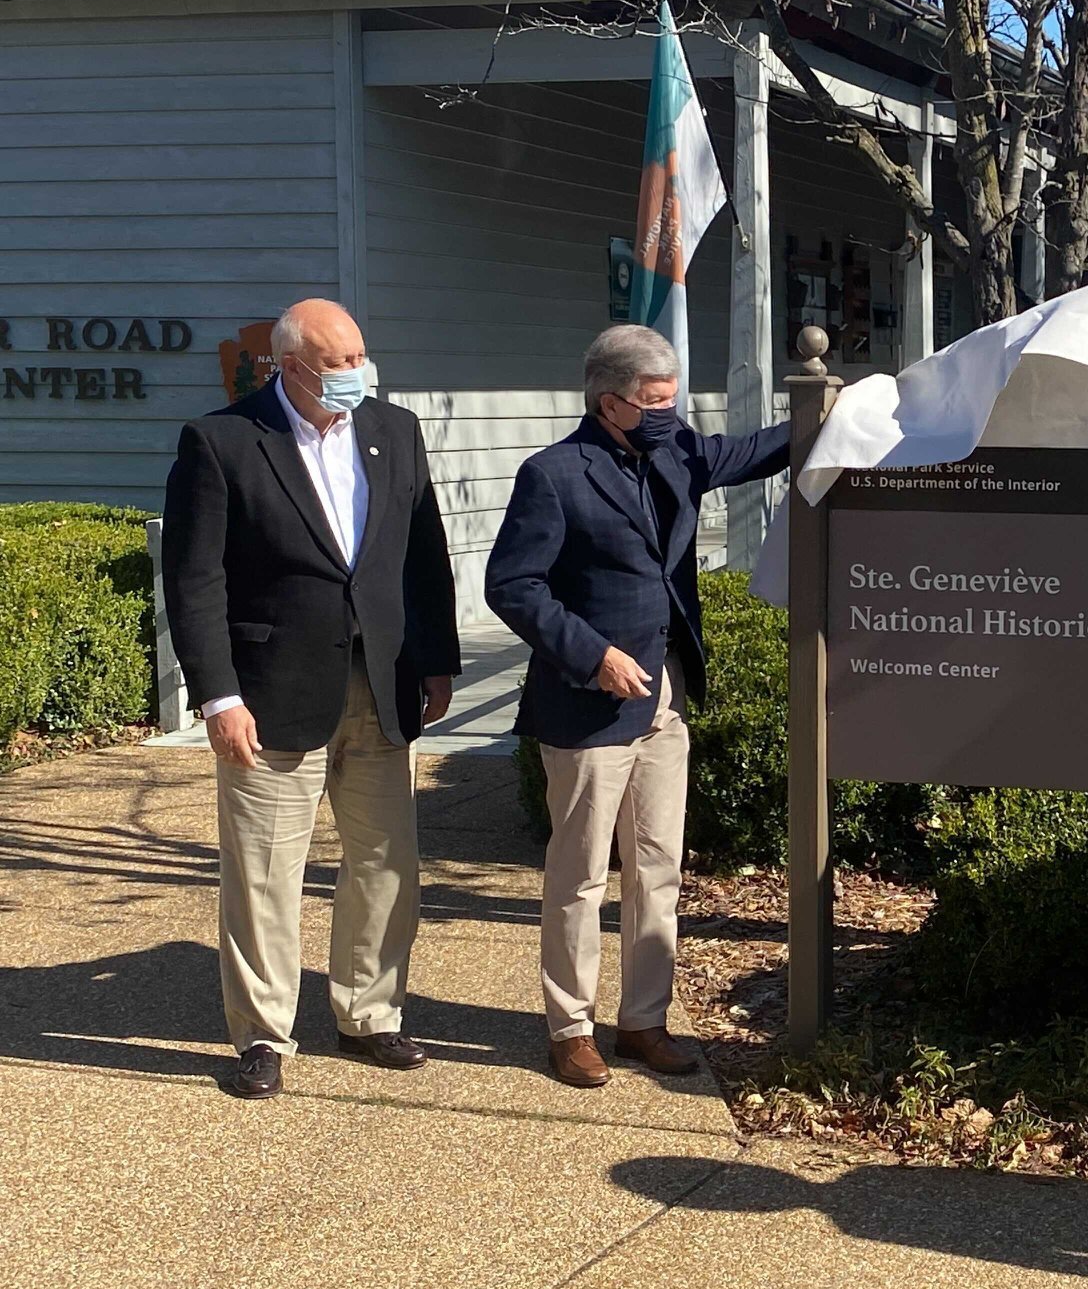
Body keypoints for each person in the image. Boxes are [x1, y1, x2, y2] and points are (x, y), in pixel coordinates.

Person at [161, 298, 460, 1100]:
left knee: (387, 861)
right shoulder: (222, 441)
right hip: (270, 691)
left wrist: (437, 661)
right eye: (338, 363)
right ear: (289, 366)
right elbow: (195, 582)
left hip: (382, 681)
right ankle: (263, 1034)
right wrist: (218, 695)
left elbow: (422, 553)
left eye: (361, 355)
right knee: (263, 871)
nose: (357, 373)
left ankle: (371, 1015)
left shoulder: (393, 431)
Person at [487, 324, 790, 1090]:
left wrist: (843, 410)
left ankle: (644, 1022)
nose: (670, 411)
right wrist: (592, 653)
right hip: (589, 705)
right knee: (581, 874)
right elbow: (514, 586)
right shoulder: (553, 474)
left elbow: (759, 451)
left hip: (668, 696)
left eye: (673, 398)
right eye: (655, 401)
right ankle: (570, 1028)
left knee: (658, 867)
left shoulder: (681, 451)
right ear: (610, 401)